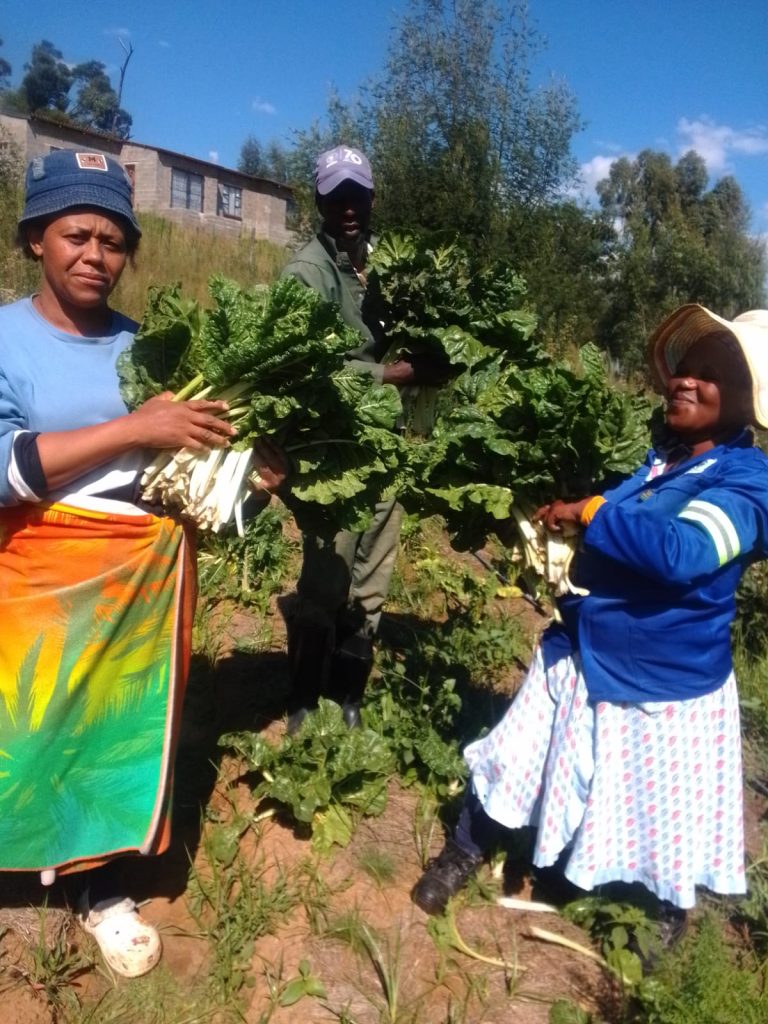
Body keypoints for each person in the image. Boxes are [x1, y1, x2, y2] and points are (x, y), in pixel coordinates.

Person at [0, 149, 285, 978]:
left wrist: (254, 482)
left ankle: (101, 887)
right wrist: (135, 429)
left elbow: (186, 483)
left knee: (111, 736)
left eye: (113, 239)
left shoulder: (151, 348)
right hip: (32, 578)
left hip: (143, 580)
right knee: (20, 723)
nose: (95, 254)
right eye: (75, 234)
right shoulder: (5, 338)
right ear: (33, 242)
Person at [411, 303, 768, 946]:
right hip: (582, 644)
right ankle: (465, 847)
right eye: (683, 369)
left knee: (658, 807)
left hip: (660, 676)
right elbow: (623, 528)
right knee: (518, 752)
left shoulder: (748, 486)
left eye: (709, 374)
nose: (684, 381)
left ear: (747, 399)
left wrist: (594, 508)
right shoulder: (665, 461)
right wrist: (574, 519)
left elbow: (678, 553)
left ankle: (661, 916)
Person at [280, 145, 446, 731]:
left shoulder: (381, 263)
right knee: (328, 575)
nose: (347, 207)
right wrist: (391, 375)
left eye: (357, 195)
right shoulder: (310, 272)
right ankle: (302, 700)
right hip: (335, 449)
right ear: (320, 200)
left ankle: (347, 696)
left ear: (372, 198)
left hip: (388, 441)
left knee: (372, 576)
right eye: (335, 196)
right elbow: (301, 366)